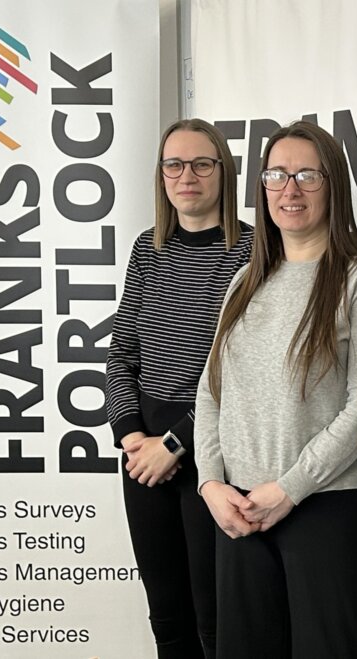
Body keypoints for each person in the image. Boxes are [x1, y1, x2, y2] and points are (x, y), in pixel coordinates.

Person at [194, 120, 357, 658]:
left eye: (308, 174)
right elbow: (211, 391)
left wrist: (290, 488)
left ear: (333, 185)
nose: (291, 188)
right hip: (237, 513)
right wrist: (211, 482)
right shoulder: (246, 280)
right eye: (277, 174)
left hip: (325, 508)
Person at [105, 119, 253, 658]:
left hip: (212, 454)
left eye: (200, 164)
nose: (185, 175)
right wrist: (132, 438)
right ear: (161, 175)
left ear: (223, 172)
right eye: (174, 164)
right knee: (166, 617)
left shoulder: (252, 252)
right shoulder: (148, 249)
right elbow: (121, 352)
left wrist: (173, 445)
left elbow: (240, 374)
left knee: (215, 620)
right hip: (141, 455)